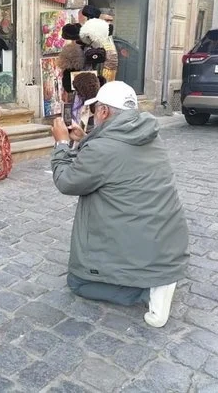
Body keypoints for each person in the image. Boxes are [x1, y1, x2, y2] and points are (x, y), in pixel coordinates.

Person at [50, 81, 189, 327]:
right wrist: (85, 139)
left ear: (103, 111)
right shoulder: (147, 134)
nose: (93, 116)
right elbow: (111, 156)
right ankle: (156, 276)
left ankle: (148, 290)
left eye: (95, 111)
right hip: (164, 238)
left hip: (140, 236)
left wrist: (61, 144)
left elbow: (67, 182)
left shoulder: (103, 148)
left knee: (78, 282)